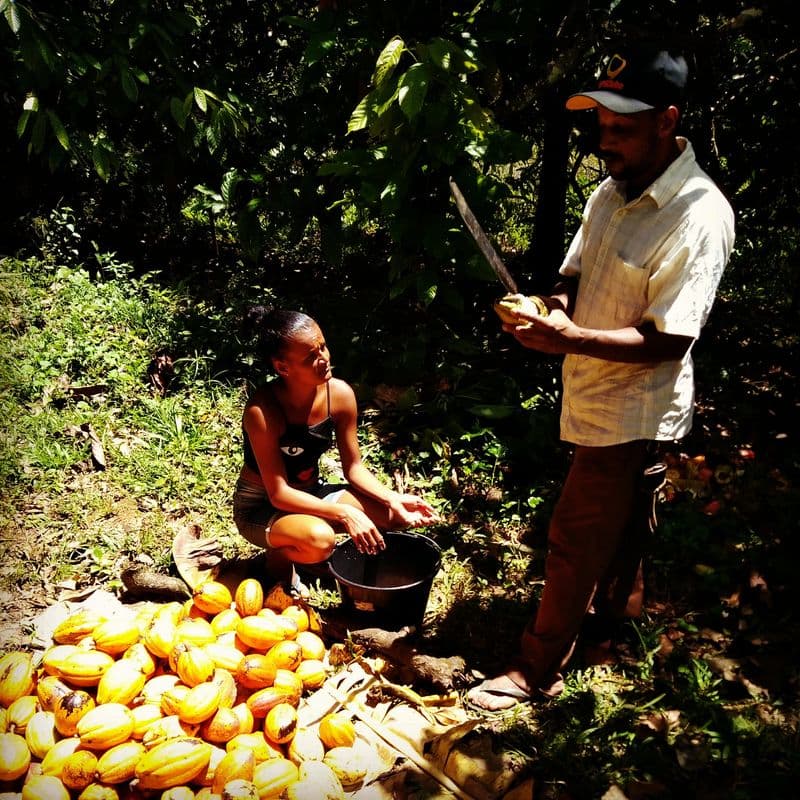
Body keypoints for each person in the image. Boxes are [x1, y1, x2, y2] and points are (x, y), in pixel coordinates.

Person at [467, 43, 735, 711]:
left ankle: (537, 670)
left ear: (668, 120)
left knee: (575, 538)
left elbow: (668, 341)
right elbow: (573, 279)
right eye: (600, 125)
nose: (604, 140)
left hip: (635, 407)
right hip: (594, 394)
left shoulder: (699, 216)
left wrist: (572, 338)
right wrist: (546, 313)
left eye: (621, 126)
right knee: (625, 531)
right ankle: (611, 636)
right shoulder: (611, 194)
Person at [232, 305, 439, 595]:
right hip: (261, 506)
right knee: (320, 541)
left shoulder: (339, 395)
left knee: (392, 517)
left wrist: (392, 498)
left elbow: (353, 468)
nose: (324, 359)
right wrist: (344, 514)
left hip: (309, 494)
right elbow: (278, 494)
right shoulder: (263, 411)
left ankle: (299, 548)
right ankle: (278, 562)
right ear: (282, 367)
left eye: (323, 347)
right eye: (311, 357)